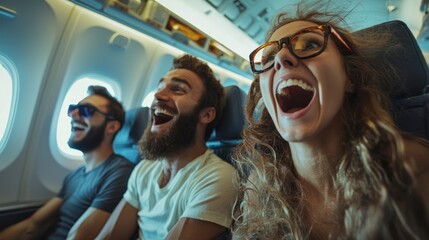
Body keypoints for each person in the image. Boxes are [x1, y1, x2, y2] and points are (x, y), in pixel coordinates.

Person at [232, 4, 429, 240]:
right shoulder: (259, 188)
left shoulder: (412, 170)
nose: (281, 58)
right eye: (270, 57)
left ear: (349, 79)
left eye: (311, 44)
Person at [98, 54, 236, 240]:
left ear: (206, 115)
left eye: (178, 89)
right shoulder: (144, 169)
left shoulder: (217, 179)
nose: (158, 95)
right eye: (159, 87)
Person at [0, 86, 134, 239]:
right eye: (73, 109)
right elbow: (32, 226)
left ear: (112, 126)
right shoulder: (74, 175)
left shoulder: (119, 173)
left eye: (87, 110)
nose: (74, 115)